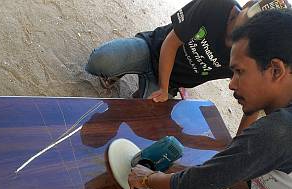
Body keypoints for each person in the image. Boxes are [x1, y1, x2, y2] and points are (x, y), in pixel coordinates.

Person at [128, 9, 292, 189]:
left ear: (275, 70)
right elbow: (244, 177)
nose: (231, 84)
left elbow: (191, 187)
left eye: (239, 72)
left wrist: (148, 178)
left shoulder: (279, 131)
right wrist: (210, 169)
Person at [85, 0, 289, 135]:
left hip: (174, 81)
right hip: (153, 48)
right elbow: (171, 43)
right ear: (244, 8)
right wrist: (163, 89)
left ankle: (151, 89)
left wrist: (238, 143)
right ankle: (124, 70)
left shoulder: (252, 54)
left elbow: (253, 101)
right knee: (99, 61)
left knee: (141, 123)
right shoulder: (216, 6)